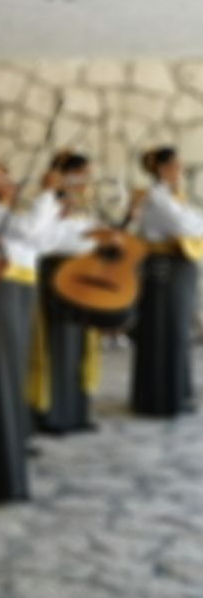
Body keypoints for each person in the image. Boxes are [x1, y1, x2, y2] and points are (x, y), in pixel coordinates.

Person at [0, 144, 62, 502]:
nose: (0, 172)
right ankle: (5, 477)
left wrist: (39, 204)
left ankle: (14, 456)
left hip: (20, 287)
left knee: (14, 375)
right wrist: (46, 193)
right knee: (1, 378)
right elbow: (25, 230)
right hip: (0, 289)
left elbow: (40, 241)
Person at [26, 151, 100, 434]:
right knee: (58, 344)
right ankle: (53, 414)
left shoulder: (81, 206)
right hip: (58, 276)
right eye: (82, 175)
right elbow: (45, 241)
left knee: (80, 343)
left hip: (83, 276)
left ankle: (77, 411)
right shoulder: (49, 205)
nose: (86, 182)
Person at [131, 146, 203, 416]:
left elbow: (193, 219)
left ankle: (174, 395)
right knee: (164, 332)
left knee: (176, 333)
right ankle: (159, 401)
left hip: (177, 268)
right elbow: (185, 225)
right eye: (176, 166)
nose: (181, 171)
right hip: (165, 270)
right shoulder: (158, 197)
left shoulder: (171, 196)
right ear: (162, 169)